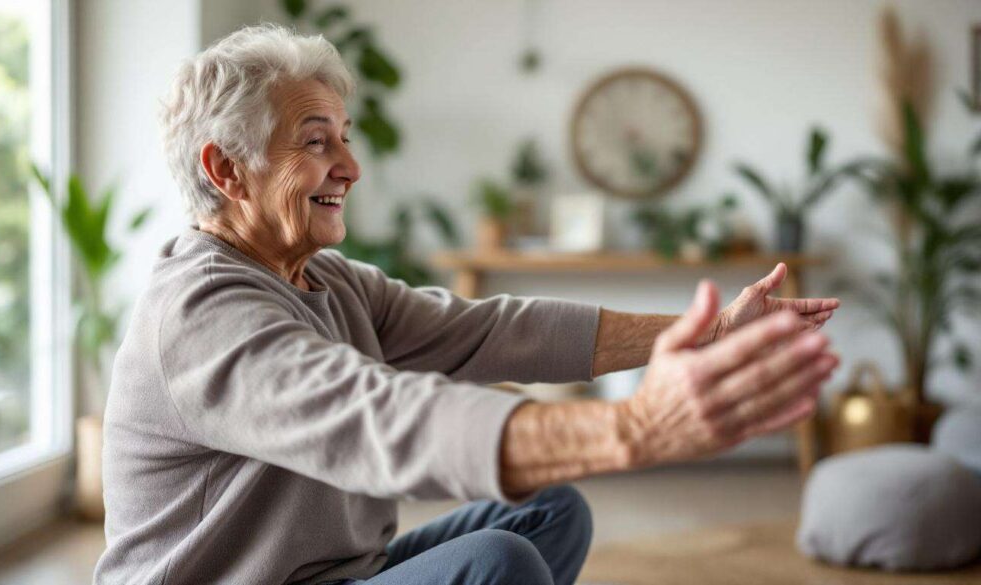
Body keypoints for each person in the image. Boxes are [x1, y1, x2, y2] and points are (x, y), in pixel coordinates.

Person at [93, 24, 840, 585]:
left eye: (344, 139)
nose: (350, 166)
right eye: (316, 142)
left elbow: (492, 331)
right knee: (500, 560)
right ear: (226, 169)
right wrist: (636, 427)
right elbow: (383, 419)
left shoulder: (328, 281)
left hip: (337, 570)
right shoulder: (200, 313)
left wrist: (712, 331)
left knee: (551, 510)